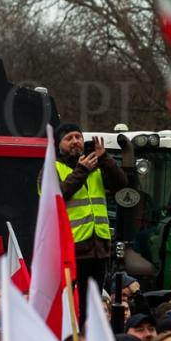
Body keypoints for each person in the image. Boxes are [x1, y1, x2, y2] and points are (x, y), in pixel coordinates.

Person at [53, 123, 127, 315]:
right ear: (58, 144)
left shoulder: (96, 167)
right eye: (69, 138)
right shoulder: (53, 168)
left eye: (78, 136)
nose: (75, 141)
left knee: (92, 306)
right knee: (67, 306)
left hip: (99, 249)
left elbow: (121, 184)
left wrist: (105, 158)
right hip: (71, 250)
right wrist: (81, 171)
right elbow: (58, 195)